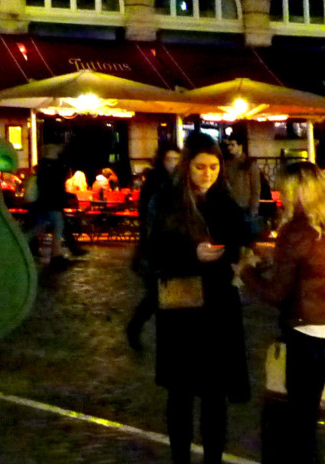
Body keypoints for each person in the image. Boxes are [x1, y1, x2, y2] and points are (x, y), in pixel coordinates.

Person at [148, 136, 252, 464]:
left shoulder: (224, 199)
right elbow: (155, 252)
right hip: (182, 310)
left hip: (218, 309)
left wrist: (237, 253)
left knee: (214, 395)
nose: (207, 173)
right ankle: (180, 457)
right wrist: (191, 253)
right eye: (200, 167)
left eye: (213, 167)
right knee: (180, 395)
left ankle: (213, 459)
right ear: (187, 166)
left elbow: (242, 237)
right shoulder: (169, 201)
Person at [239, 162, 325, 464]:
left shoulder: (295, 231)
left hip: (305, 336)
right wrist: (276, 256)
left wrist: (246, 272)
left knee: (302, 424)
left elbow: (277, 294)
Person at [126, 143, 182, 350]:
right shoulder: (156, 182)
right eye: (169, 159)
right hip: (156, 245)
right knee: (157, 294)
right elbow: (148, 215)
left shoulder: (178, 181)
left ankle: (139, 328)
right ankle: (137, 328)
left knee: (162, 295)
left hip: (173, 244)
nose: (173, 164)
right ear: (161, 160)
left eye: (177, 159)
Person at [223, 130, 263, 234]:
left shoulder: (249, 163)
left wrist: (254, 209)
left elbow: (256, 188)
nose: (229, 147)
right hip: (230, 207)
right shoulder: (227, 163)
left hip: (245, 207)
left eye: (232, 145)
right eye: (228, 145)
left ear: (240, 146)